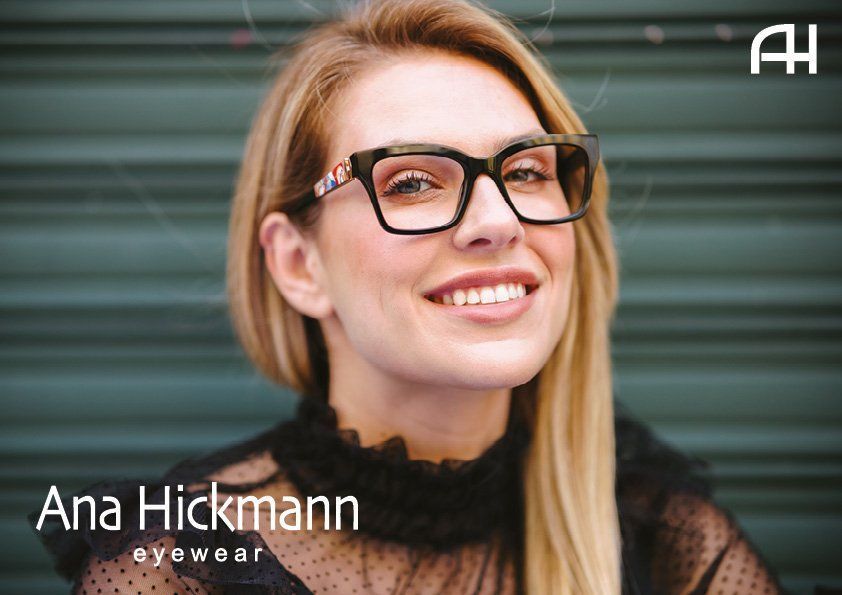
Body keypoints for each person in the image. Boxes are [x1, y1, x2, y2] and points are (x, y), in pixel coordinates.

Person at [30, 0, 787, 593]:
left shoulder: (669, 545)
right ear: (300, 264)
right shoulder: (181, 569)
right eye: (414, 180)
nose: (498, 221)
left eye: (525, 171)